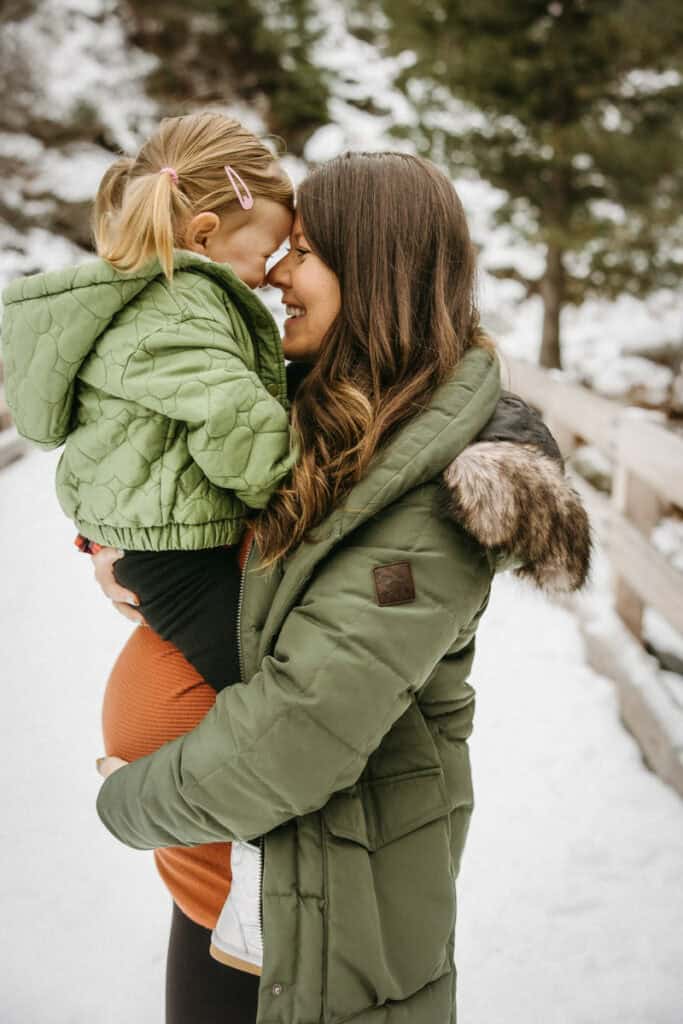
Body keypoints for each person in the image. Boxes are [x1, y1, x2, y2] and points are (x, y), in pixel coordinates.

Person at [92, 151, 592, 1024]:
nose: (277, 270)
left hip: (321, 890)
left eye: (308, 252)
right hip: (230, 870)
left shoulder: (441, 494)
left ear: (378, 273)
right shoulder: (322, 408)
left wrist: (125, 802)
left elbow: (300, 735)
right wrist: (106, 541)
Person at [2, 110, 299, 694]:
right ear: (206, 234)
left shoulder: (160, 299)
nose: (266, 276)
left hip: (161, 541)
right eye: (264, 254)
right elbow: (230, 421)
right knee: (264, 688)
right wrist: (302, 483)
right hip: (173, 556)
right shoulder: (181, 308)